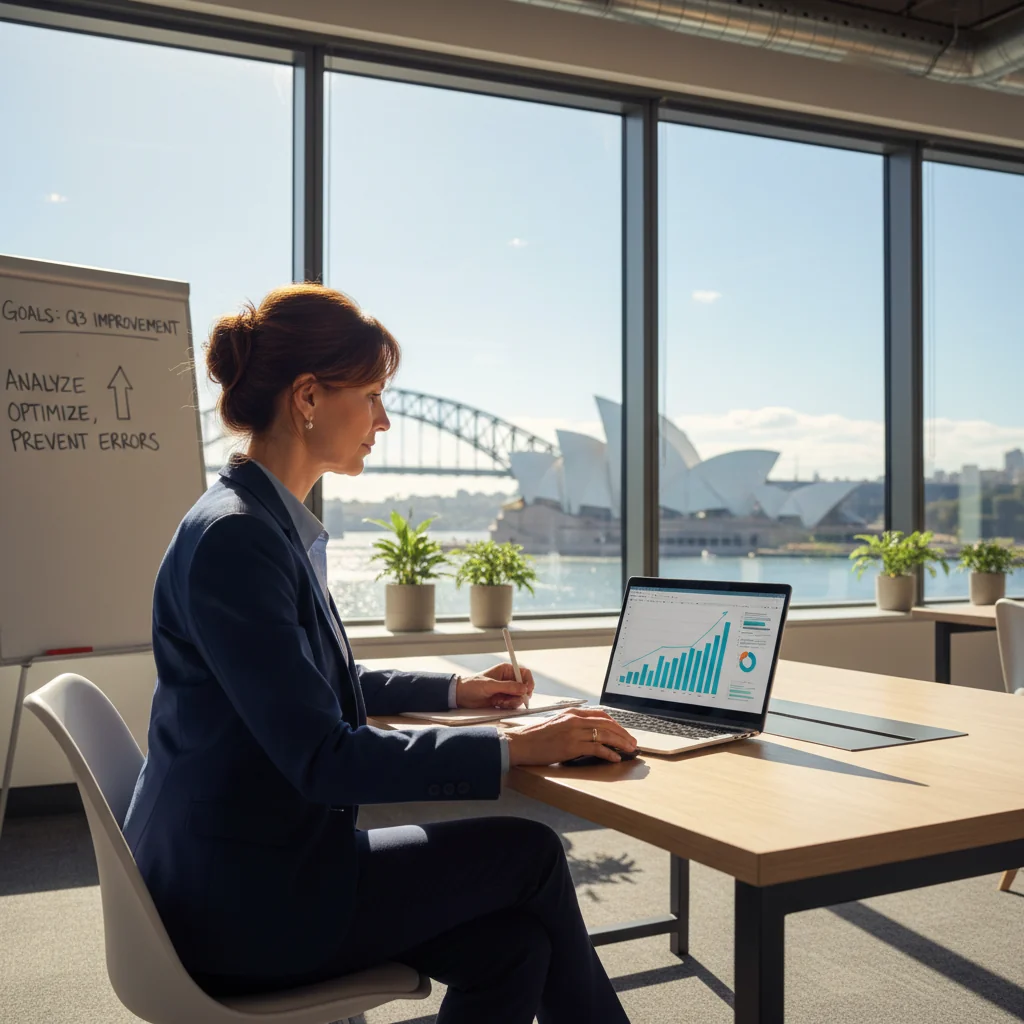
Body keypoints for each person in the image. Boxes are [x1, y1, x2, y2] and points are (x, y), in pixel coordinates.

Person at [122, 283, 636, 1023]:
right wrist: (515, 747)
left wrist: (458, 694)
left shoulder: (256, 522)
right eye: (371, 397)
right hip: (241, 903)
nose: (385, 421)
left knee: (515, 945)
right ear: (307, 396)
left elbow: (312, 682)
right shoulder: (240, 540)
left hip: (245, 868)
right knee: (531, 854)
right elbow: (324, 757)